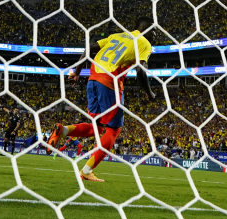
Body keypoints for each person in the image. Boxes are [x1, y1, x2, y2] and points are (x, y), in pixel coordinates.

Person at [47, 17, 157, 181]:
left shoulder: (116, 36)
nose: (155, 35)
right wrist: (149, 93)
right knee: (113, 130)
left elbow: (88, 49)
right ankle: (86, 170)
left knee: (96, 129)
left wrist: (77, 72)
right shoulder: (144, 43)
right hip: (110, 83)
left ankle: (62, 130)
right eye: (154, 31)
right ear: (146, 28)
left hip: (93, 80)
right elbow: (141, 71)